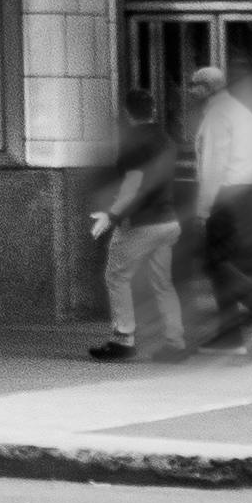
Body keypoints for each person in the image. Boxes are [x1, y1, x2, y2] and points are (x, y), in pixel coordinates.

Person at [185, 65, 252, 352]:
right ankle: (229, 334)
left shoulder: (218, 117)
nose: (189, 90)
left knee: (215, 263)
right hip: (248, 197)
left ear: (208, 88)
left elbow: (213, 166)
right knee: (225, 263)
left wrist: (202, 210)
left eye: (194, 85)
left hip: (226, 197)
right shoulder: (242, 113)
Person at [84, 94, 184, 361]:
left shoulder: (135, 146)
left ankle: (123, 340)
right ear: (152, 110)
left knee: (117, 276)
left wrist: (110, 216)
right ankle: (175, 343)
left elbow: (132, 188)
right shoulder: (167, 141)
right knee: (163, 283)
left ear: (127, 114)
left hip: (142, 223)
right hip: (168, 221)